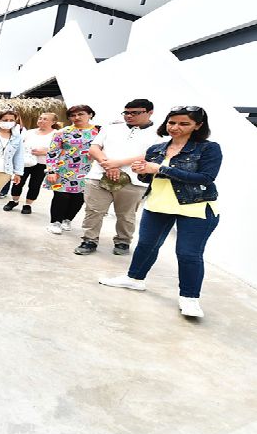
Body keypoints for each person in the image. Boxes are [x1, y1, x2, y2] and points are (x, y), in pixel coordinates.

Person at [100, 106, 221, 318]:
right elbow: (149, 178)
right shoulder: (156, 148)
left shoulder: (208, 148)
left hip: (195, 206)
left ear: (198, 126)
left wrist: (161, 169)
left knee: (188, 254)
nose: (176, 128)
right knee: (146, 245)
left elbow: (205, 178)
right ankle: (135, 279)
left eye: (184, 124)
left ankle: (190, 298)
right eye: (172, 122)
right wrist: (142, 171)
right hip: (158, 204)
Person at [75, 99, 163, 255]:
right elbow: (94, 147)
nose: (129, 116)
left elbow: (151, 155)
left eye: (135, 113)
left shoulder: (160, 133)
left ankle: (123, 241)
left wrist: (117, 164)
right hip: (98, 176)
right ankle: (89, 240)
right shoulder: (111, 127)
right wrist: (105, 163)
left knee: (126, 215)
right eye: (126, 112)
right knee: (93, 211)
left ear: (150, 112)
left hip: (134, 180)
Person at [45, 105, 100, 234]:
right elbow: (52, 152)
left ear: (90, 115)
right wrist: (51, 170)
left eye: (81, 114)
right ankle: (55, 222)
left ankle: (67, 219)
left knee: (79, 198)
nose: (76, 118)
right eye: (73, 115)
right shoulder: (63, 132)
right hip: (64, 169)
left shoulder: (99, 133)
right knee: (61, 197)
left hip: (88, 171)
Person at [3, 112, 58, 214]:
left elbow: (60, 150)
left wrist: (46, 152)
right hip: (24, 162)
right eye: (40, 118)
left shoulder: (56, 134)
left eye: (45, 119)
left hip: (42, 163)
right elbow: (19, 145)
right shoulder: (30, 132)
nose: (41, 120)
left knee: (35, 185)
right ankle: (14, 201)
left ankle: (28, 204)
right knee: (17, 182)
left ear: (53, 122)